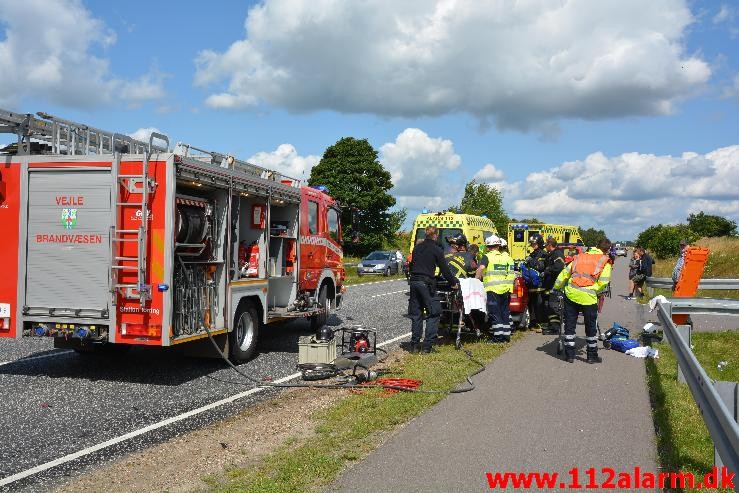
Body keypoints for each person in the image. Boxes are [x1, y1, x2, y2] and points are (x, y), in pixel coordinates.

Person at [553, 238, 612, 364]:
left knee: (570, 325)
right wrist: (593, 290)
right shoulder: (604, 261)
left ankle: (569, 355)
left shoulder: (579, 257)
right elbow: (603, 282)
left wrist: (556, 287)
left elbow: (564, 273)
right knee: (591, 327)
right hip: (588, 298)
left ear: (596, 246)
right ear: (607, 250)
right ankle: (591, 356)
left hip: (571, 294)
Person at [407, 226, 458, 353]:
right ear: (436, 235)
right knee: (434, 313)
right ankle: (427, 346)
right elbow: (445, 270)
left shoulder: (417, 248)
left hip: (414, 282)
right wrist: (453, 283)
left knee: (416, 314)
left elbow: (412, 265)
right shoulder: (437, 249)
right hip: (426, 284)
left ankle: (414, 345)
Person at [476, 235, 514, 343]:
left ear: (488, 246)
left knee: (495, 313)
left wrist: (476, 278)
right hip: (505, 289)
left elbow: (481, 268)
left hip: (492, 289)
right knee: (504, 312)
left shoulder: (487, 257)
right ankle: (506, 336)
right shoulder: (505, 257)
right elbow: (511, 274)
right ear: (498, 245)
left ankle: (498, 338)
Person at [541, 238, 566, 334]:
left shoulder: (557, 254)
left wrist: (547, 271)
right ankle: (552, 325)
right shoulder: (551, 254)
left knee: (553, 305)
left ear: (549, 245)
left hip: (555, 284)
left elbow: (559, 267)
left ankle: (556, 328)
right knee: (548, 305)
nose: (545, 247)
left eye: (546, 245)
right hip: (549, 284)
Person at [524, 234, 547, 331]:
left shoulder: (543, 254)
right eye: (532, 244)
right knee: (531, 304)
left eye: (534, 243)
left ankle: (540, 324)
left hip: (540, 285)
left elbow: (540, 267)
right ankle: (533, 324)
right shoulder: (533, 254)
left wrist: (531, 262)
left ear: (539, 243)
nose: (533, 245)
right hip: (531, 284)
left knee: (539, 305)